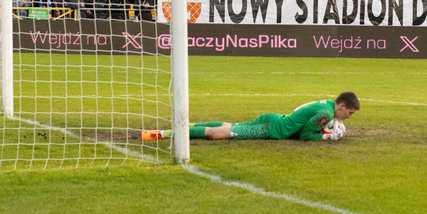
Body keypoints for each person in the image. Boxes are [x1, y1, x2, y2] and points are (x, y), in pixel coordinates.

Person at [141, 92, 359, 141]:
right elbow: (304, 136)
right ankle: (160, 134)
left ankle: (189, 125)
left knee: (228, 125)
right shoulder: (326, 113)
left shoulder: (326, 105)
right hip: (270, 128)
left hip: (273, 120)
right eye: (348, 113)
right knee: (218, 134)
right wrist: (325, 137)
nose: (348, 117)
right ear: (341, 106)